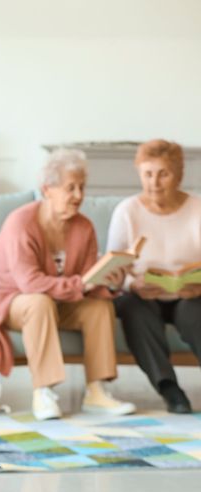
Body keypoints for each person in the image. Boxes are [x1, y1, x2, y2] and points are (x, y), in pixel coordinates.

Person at [0, 148, 135, 420]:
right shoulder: (21, 223)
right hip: (9, 298)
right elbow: (29, 282)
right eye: (71, 188)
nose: (79, 196)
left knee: (99, 307)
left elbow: (86, 280)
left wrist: (109, 281)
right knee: (38, 302)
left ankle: (96, 391)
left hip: (58, 300)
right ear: (47, 189)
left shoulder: (84, 227)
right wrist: (82, 284)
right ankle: (43, 391)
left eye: (82, 187)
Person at [107, 139, 201, 414]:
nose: (154, 183)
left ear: (179, 175)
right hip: (143, 295)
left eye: (163, 174)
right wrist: (131, 284)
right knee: (135, 309)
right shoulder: (127, 211)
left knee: (194, 313)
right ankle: (170, 389)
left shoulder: (197, 209)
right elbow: (112, 269)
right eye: (147, 174)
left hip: (190, 295)